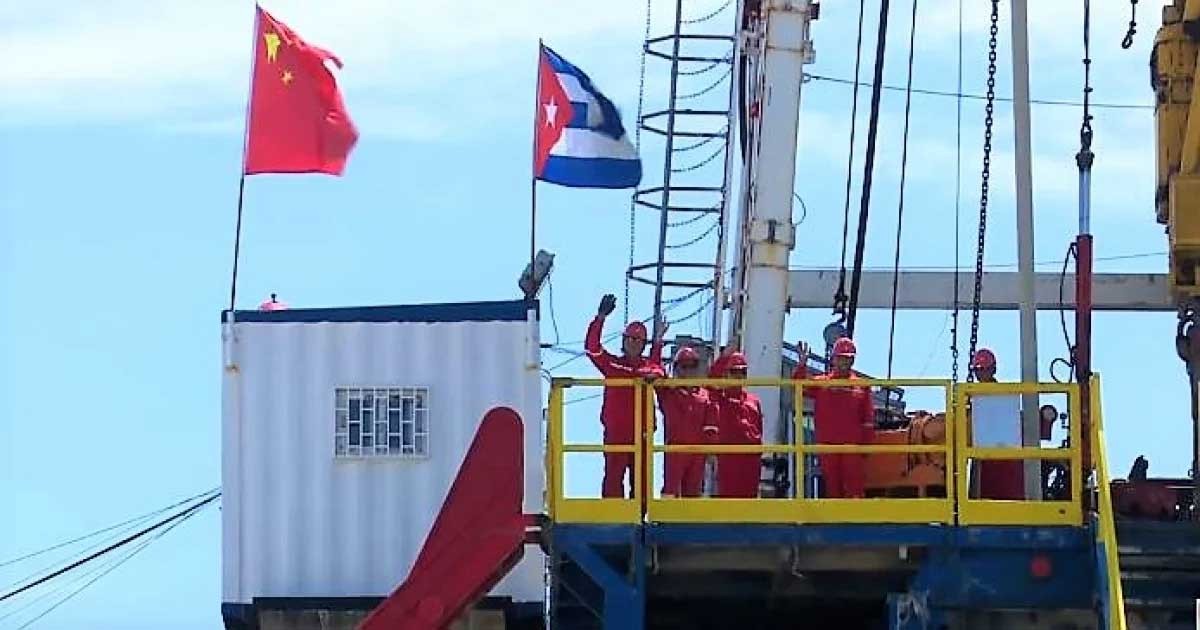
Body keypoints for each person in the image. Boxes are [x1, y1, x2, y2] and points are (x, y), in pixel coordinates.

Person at [585, 294, 665, 498]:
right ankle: (613, 519)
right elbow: (592, 348)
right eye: (630, 338)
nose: (633, 343)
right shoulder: (613, 365)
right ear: (623, 340)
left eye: (638, 340)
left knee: (641, 481)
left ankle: (640, 517)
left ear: (644, 344)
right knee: (613, 479)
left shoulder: (649, 366)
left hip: (642, 433)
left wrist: (658, 344)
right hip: (616, 433)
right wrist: (600, 318)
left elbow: (658, 371)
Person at [792, 337, 874, 499]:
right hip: (828, 446)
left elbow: (868, 419)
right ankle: (835, 523)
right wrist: (801, 364)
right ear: (834, 358)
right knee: (832, 488)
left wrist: (866, 446)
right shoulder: (822, 383)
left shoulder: (862, 386)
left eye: (849, 358)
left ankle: (855, 519)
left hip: (852, 447)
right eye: (842, 357)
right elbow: (798, 386)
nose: (845, 361)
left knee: (854, 490)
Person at [655, 346, 720, 497]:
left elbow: (710, 426)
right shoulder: (668, 392)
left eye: (693, 366)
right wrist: (658, 343)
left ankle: (690, 521)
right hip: (675, 450)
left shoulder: (705, 395)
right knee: (670, 488)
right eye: (684, 366)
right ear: (676, 369)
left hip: (697, 451)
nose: (688, 371)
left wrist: (712, 450)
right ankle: (665, 519)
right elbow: (654, 367)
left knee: (693, 492)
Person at [970, 348, 1025, 500]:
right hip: (983, 457)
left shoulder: (1002, 396)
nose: (981, 373)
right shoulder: (971, 395)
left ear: (993, 369)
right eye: (978, 370)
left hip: (1004, 457)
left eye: (984, 369)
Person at [709, 347, 763, 498]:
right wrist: (723, 358)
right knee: (728, 500)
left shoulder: (754, 401)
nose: (738, 376)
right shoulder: (720, 397)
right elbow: (710, 381)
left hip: (751, 457)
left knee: (750, 499)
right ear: (726, 374)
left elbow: (759, 428)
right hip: (729, 457)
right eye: (734, 371)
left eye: (742, 372)